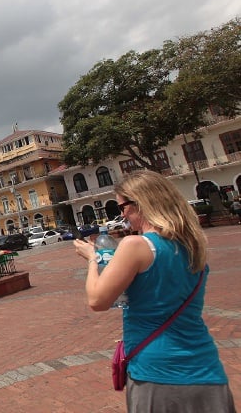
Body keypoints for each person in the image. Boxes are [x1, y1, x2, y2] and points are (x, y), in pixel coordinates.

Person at [72, 170, 235, 412]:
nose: (122, 215)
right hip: (207, 371)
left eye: (122, 207)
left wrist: (92, 259)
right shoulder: (193, 246)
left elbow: (97, 300)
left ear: (141, 204)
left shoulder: (135, 245)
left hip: (158, 373)